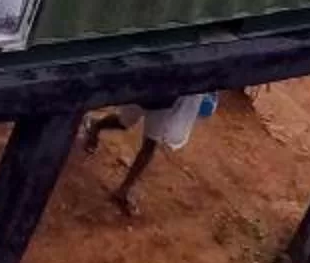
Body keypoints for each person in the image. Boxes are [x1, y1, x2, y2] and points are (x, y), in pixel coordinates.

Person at [82, 92, 213, 216]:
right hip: (145, 91)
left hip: (164, 102)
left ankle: (124, 190)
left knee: (150, 144)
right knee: (123, 123)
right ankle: (96, 125)